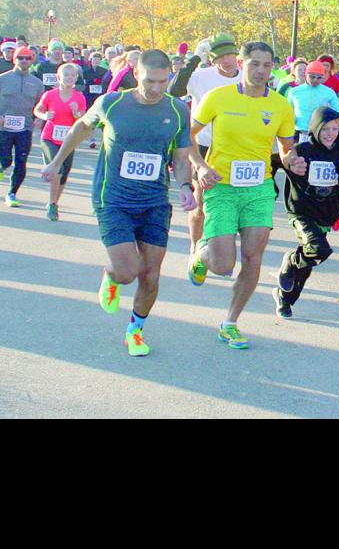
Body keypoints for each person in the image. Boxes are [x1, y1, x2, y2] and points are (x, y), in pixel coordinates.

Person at [40, 50, 197, 357]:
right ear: (136, 74)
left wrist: (185, 186)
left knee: (151, 273)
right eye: (150, 81)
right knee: (128, 271)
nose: (156, 88)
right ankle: (111, 276)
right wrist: (57, 162)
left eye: (163, 81)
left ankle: (134, 332)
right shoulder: (112, 103)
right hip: (113, 198)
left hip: (153, 200)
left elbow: (180, 157)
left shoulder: (177, 109)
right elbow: (81, 128)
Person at [188, 41, 304, 350]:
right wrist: (199, 166)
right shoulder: (218, 97)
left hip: (259, 189)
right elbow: (187, 136)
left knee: (253, 257)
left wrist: (292, 160)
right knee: (223, 265)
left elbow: (285, 147)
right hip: (222, 188)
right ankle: (202, 254)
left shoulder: (280, 105)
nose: (261, 70)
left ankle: (230, 323)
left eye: (267, 65)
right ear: (241, 64)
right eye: (254, 64)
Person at [271, 105, 339, 318]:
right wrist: (270, 186)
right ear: (315, 128)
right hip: (301, 210)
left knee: (307, 265)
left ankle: (285, 298)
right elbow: (274, 160)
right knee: (318, 249)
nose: (330, 134)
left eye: (334, 129)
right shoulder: (303, 150)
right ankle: (291, 259)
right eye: (325, 129)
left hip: (326, 214)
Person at [176, 33, 244, 259]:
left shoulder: (247, 78)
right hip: (203, 146)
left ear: (237, 55)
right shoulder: (201, 76)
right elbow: (174, 90)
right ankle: (195, 246)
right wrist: (194, 58)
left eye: (230, 55)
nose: (226, 61)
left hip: (236, 147)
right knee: (201, 203)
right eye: (219, 57)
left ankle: (219, 246)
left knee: (230, 201)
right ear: (211, 60)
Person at [0, 43, 45, 206]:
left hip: (24, 127)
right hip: (4, 126)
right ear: (14, 59)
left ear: (32, 60)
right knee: (6, 160)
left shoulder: (37, 83)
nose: (24, 61)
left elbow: (41, 105)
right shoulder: (2, 79)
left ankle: (12, 193)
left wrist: (39, 118)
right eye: (20, 57)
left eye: (27, 58)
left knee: (21, 161)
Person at [31, 63, 88, 220]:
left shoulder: (79, 97)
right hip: (49, 137)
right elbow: (37, 110)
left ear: (76, 78)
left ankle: (55, 202)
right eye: (66, 75)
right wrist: (44, 116)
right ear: (59, 77)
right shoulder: (50, 95)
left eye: (72, 75)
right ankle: (51, 204)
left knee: (64, 174)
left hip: (69, 140)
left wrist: (76, 112)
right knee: (58, 169)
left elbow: (82, 119)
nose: (69, 78)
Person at [287, 61, 339, 140]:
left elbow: (338, 113)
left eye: (319, 77)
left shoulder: (329, 92)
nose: (315, 80)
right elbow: (287, 111)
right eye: (312, 76)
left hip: (320, 132)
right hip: (299, 132)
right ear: (306, 74)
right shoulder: (294, 91)